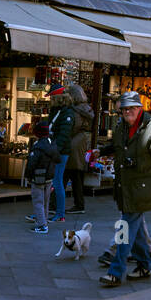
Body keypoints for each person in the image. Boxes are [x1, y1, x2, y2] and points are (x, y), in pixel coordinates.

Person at [100, 91, 151, 287]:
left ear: (140, 108)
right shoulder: (121, 127)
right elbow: (117, 148)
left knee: (125, 227)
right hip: (125, 186)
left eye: (131, 108)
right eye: (124, 109)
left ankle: (115, 271)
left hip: (142, 187)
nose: (127, 112)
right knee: (136, 225)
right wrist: (100, 151)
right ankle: (144, 264)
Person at [63, 84, 93, 215]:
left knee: (66, 173)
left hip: (73, 143)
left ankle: (56, 203)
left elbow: (73, 126)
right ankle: (79, 203)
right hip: (82, 142)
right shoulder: (86, 108)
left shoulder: (74, 110)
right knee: (77, 175)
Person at [24, 120, 57, 234]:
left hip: (38, 177)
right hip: (49, 177)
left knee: (38, 201)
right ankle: (44, 221)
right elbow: (58, 159)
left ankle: (42, 225)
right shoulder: (52, 144)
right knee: (45, 201)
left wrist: (28, 176)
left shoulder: (37, 146)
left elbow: (32, 163)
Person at [46, 86, 73, 223]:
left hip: (60, 152)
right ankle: (45, 213)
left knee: (57, 181)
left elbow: (63, 135)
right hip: (55, 149)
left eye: (52, 98)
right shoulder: (57, 111)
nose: (50, 100)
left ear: (58, 99)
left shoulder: (67, 113)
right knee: (52, 181)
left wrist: (54, 151)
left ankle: (60, 214)